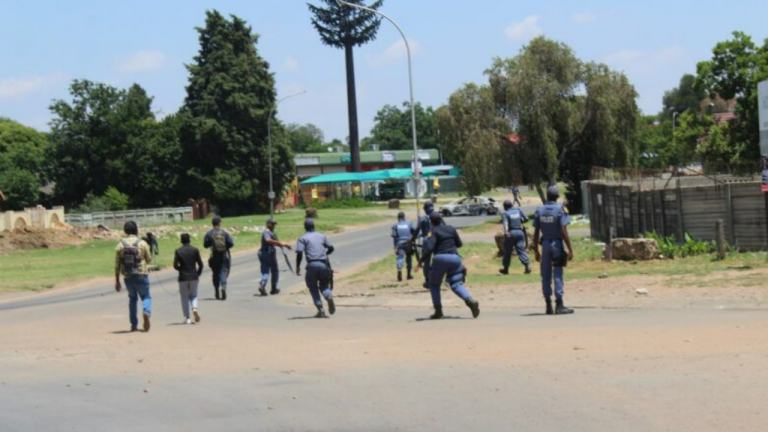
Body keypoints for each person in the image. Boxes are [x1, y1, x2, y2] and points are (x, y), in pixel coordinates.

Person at [418, 212, 480, 320]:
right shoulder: (451, 228)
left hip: (440, 259)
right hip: (455, 259)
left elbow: (429, 248)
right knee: (456, 284)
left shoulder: (433, 231)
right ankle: (470, 301)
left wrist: (421, 261)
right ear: (441, 220)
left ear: (431, 222)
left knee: (434, 285)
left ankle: (438, 311)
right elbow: (459, 244)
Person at [533, 185, 575, 315]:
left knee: (545, 273)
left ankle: (548, 305)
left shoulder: (539, 210)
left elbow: (536, 232)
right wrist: (570, 249)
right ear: (557, 197)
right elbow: (563, 230)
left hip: (544, 244)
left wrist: (536, 250)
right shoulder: (559, 210)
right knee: (557, 272)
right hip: (556, 245)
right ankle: (559, 304)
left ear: (547, 196)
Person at [114, 221, 153, 332]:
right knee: (146, 296)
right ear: (136, 230)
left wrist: (117, 281)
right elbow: (149, 258)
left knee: (132, 299)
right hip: (141, 274)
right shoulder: (142, 243)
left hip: (128, 276)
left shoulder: (120, 245)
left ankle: (134, 325)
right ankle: (146, 311)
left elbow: (117, 265)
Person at [295, 219, 336, 318]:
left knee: (313, 288)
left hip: (312, 265)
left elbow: (299, 253)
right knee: (324, 285)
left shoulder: (302, 238)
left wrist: (297, 267)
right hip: (323, 264)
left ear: (305, 227)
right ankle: (328, 296)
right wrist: (324, 254)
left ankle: (320, 310)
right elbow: (331, 248)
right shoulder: (322, 236)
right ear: (314, 226)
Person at [173, 233, 204, 324]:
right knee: (194, 295)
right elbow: (201, 265)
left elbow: (175, 265)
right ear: (189, 240)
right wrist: (197, 274)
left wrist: (181, 269)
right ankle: (194, 308)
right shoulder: (195, 250)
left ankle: (187, 318)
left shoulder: (178, 251)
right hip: (194, 276)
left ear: (181, 241)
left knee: (184, 297)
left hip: (183, 277)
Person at [257, 218, 292, 296]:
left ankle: (262, 284)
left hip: (263, 253)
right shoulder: (267, 232)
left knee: (265, 271)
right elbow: (268, 240)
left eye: (274, 224)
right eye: (272, 224)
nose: (273, 226)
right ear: (268, 224)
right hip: (268, 254)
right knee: (275, 270)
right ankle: (273, 288)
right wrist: (281, 243)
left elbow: (276, 243)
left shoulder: (271, 233)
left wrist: (284, 245)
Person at [204, 216, 234, 301]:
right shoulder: (224, 233)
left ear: (213, 224)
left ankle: (216, 291)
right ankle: (223, 285)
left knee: (215, 273)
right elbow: (231, 244)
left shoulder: (209, 233)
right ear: (219, 223)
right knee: (223, 271)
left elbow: (205, 245)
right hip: (224, 255)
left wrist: (211, 243)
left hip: (214, 256)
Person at [499, 199, 532, 275]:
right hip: (520, 232)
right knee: (521, 250)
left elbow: (505, 223)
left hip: (511, 233)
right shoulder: (518, 210)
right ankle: (527, 266)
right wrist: (520, 221)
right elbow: (526, 218)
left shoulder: (505, 213)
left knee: (507, 251)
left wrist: (506, 232)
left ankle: (505, 269)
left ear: (505, 207)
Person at [412, 201, 435, 289]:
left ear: (425, 209)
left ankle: (428, 280)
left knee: (426, 262)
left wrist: (413, 239)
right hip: (437, 241)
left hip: (426, 242)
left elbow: (417, 230)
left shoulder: (422, 219)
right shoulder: (437, 217)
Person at [391, 211, 416, 282]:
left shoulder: (395, 225)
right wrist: (412, 239)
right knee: (409, 258)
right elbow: (414, 232)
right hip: (408, 243)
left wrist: (395, 247)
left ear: (398, 218)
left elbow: (394, 237)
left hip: (400, 244)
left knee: (400, 258)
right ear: (404, 217)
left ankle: (399, 269)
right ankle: (409, 275)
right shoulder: (409, 223)